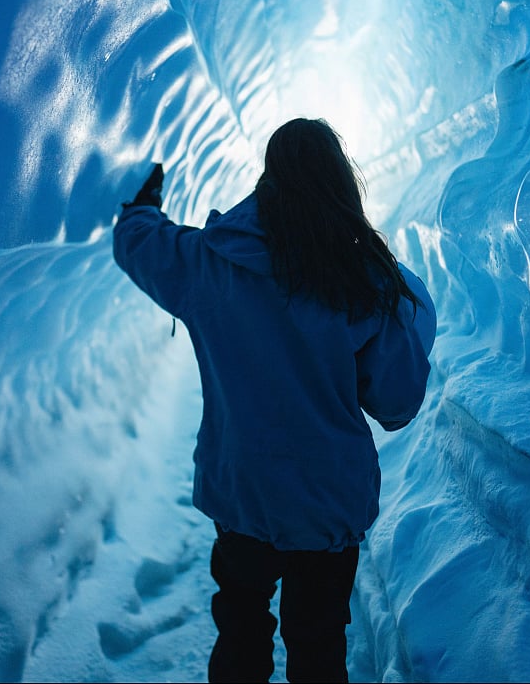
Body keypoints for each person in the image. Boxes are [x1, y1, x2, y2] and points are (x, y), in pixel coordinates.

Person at [113, 117, 435, 683]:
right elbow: (396, 405)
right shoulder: (366, 281)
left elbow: (139, 244)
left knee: (240, 634)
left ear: (269, 176)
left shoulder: (209, 262)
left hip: (244, 498)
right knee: (317, 650)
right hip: (327, 507)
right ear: (340, 179)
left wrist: (144, 205)